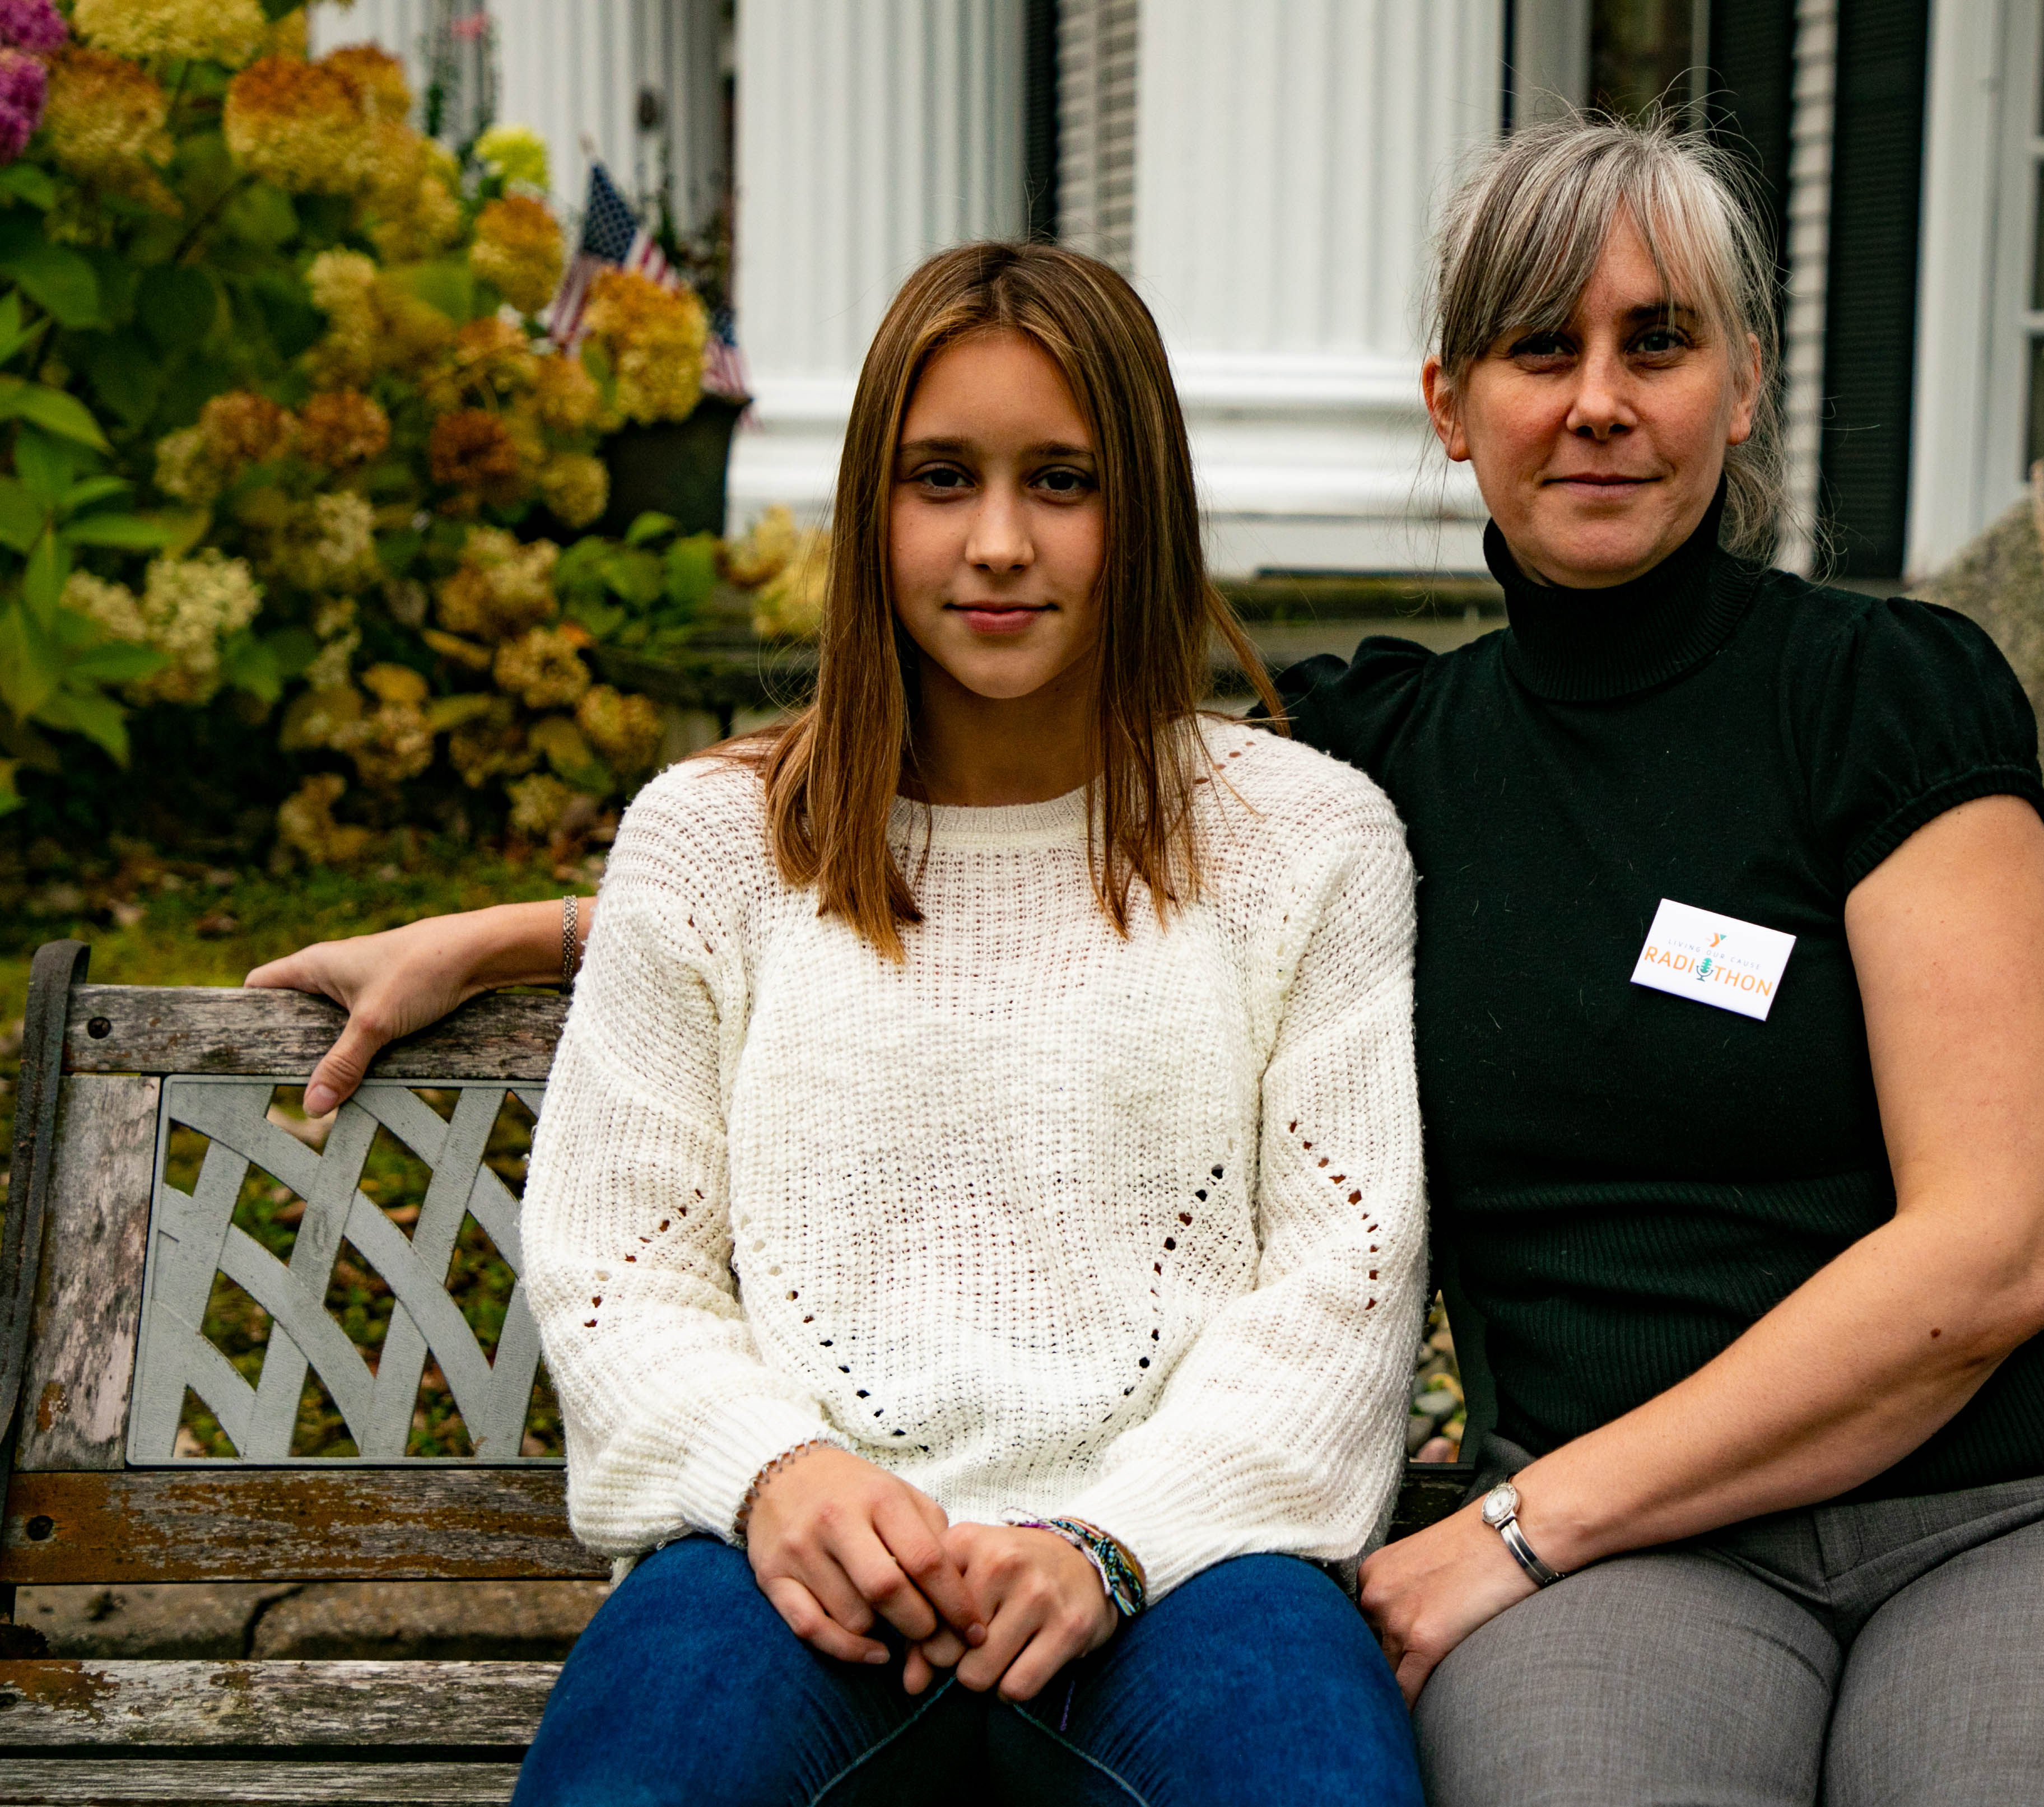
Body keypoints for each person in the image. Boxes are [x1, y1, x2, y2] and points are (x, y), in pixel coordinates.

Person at [257, 118, 2044, 1807]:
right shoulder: (1391, 756)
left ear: (1740, 383)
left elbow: (1990, 1249)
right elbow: (984, 870)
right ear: (1448, 404)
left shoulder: (1848, 700)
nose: (1593, 398)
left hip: (1956, 1507)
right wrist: (547, 931)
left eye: (1655, 343)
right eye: (1532, 345)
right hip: (1612, 1567)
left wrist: (1481, 1529)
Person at [351, 240, 1433, 1806]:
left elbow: (1340, 1279)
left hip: (1187, 1569)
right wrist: (774, 1472)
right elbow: (616, 1264)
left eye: (1060, 480)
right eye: (943, 478)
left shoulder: (1306, 842)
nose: (998, 542)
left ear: (1144, 505)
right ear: (873, 505)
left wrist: (1106, 1543)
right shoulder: (711, 842)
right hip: (784, 1565)